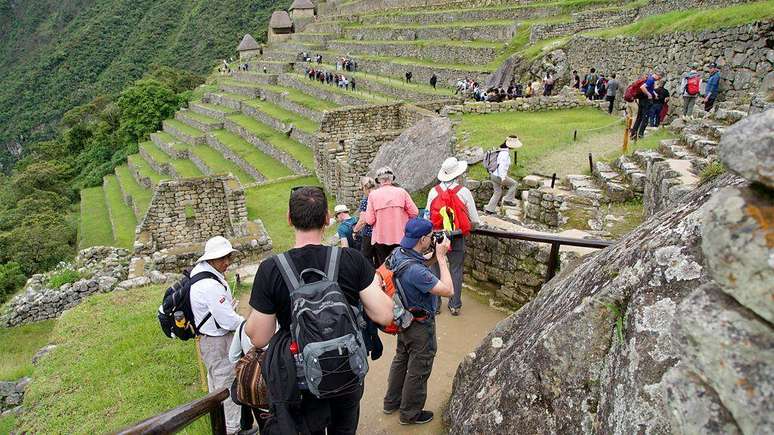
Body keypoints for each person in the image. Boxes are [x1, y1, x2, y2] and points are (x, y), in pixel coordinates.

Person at [245, 187, 393, 435]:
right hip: (345, 369)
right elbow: (384, 315)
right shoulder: (350, 260)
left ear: (289, 219)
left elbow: (259, 337)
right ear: (327, 218)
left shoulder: (271, 269)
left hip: (300, 377)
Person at [383, 218, 453, 425]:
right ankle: (410, 413)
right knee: (419, 367)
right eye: (431, 237)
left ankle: (391, 402)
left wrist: (435, 254)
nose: (432, 239)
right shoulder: (417, 272)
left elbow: (418, 264)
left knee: (401, 359)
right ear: (423, 239)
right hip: (420, 325)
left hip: (403, 319)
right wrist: (441, 259)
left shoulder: (398, 253)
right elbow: (449, 291)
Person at [190, 236, 245, 434]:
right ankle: (231, 428)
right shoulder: (210, 285)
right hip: (218, 341)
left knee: (215, 380)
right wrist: (247, 323)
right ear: (211, 259)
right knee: (227, 385)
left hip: (208, 338)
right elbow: (227, 321)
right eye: (222, 258)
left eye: (228, 257)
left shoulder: (202, 273)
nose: (227, 262)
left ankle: (218, 420)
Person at [425, 157, 480, 316]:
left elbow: (427, 216)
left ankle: (435, 305)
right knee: (456, 269)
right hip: (456, 236)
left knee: (434, 269)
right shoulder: (464, 192)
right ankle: (455, 304)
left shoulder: (433, 192)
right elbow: (474, 219)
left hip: (437, 235)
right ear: (458, 174)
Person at [362, 167, 419, 266]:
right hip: (400, 237)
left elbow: (370, 220)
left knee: (385, 266)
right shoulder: (402, 192)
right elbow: (414, 212)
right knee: (402, 264)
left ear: (378, 180)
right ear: (392, 178)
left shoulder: (373, 195)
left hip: (381, 239)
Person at [484, 136, 521, 214]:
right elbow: (502, 166)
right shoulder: (505, 154)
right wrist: (503, 178)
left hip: (493, 174)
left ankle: (489, 210)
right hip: (499, 176)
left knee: (497, 192)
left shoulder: (501, 151)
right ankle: (508, 200)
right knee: (514, 184)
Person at [353, 176, 377, 267]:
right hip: (381, 233)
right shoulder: (380, 197)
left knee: (366, 257)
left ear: (365, 188)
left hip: (369, 233)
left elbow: (363, 220)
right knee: (380, 257)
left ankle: (371, 276)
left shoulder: (366, 200)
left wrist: (355, 230)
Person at [630, 71, 661, 140]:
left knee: (639, 117)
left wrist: (654, 93)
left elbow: (649, 88)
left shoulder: (649, 78)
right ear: (657, 75)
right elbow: (642, 87)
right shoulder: (651, 80)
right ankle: (641, 135)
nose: (659, 79)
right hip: (646, 101)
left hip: (641, 100)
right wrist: (648, 94)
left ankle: (633, 134)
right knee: (645, 118)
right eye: (659, 77)